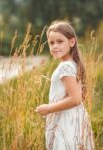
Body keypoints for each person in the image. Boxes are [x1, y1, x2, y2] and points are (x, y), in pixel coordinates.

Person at [35, 20, 94, 150]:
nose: (55, 46)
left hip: (66, 120)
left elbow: (76, 98)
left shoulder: (66, 67)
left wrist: (48, 109)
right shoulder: (70, 63)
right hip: (73, 116)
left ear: (72, 42)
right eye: (51, 43)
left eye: (60, 41)